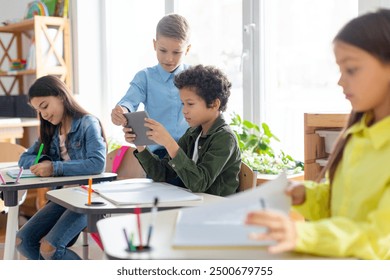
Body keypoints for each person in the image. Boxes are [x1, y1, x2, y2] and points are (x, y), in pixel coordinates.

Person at [245, 9, 390, 260]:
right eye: (340, 69)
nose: (340, 81)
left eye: (352, 69)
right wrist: (305, 195)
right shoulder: (358, 134)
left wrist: (302, 234)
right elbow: (341, 206)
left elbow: (380, 238)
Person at [16, 75, 107, 260]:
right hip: (62, 197)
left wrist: (54, 168)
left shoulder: (88, 123)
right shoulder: (51, 130)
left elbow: (97, 164)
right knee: (22, 240)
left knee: (50, 248)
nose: (44, 115)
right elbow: (23, 158)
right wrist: (42, 161)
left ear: (61, 96)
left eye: (45, 106)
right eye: (38, 111)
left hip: (89, 196)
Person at [124, 65, 241, 196]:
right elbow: (161, 174)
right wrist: (140, 144)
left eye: (190, 104)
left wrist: (169, 143)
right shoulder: (193, 133)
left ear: (214, 104)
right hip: (195, 206)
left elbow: (199, 183)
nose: (184, 110)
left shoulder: (224, 138)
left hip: (216, 210)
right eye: (182, 104)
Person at [111, 13, 191, 159]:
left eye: (177, 52)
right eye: (163, 50)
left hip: (190, 154)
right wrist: (121, 111)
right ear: (154, 44)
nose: (169, 58)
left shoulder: (195, 77)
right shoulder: (145, 77)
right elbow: (128, 102)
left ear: (187, 49)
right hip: (158, 157)